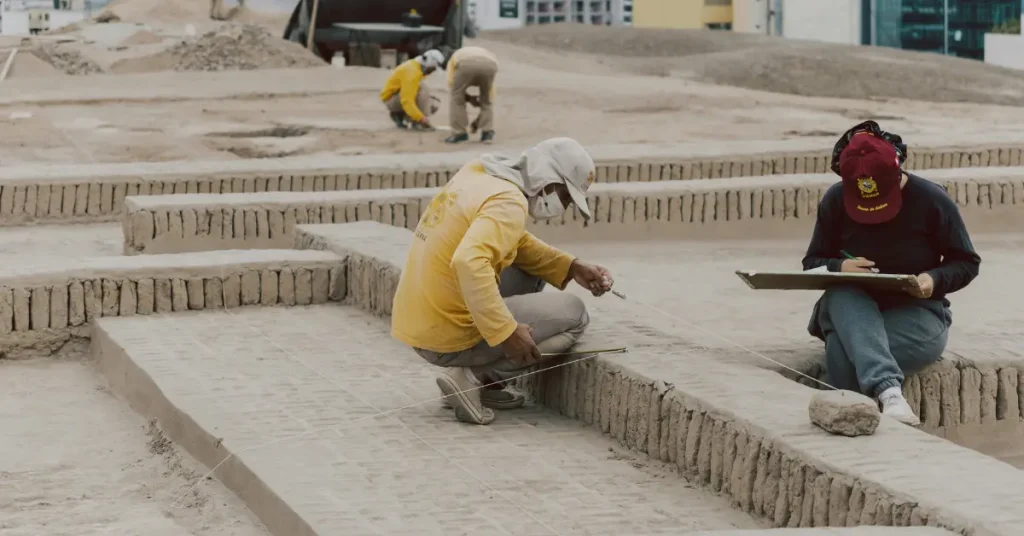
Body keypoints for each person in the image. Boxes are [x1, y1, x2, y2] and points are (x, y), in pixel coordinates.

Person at [390, 137, 614, 425]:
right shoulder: (509, 202)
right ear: (548, 181)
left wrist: (571, 267)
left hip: (421, 319)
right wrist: (505, 332)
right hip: (444, 335)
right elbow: (469, 262)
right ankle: (473, 379)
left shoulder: (480, 172)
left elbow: (511, 242)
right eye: (566, 197)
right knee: (575, 315)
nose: (565, 206)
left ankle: (479, 385)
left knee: (529, 266)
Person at [802, 122, 981, 426]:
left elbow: (966, 262)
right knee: (842, 293)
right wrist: (839, 267)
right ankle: (890, 393)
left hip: (917, 316)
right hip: (852, 310)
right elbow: (812, 263)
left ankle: (855, 395)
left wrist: (933, 279)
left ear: (896, 174)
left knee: (844, 356)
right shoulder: (835, 200)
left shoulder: (931, 200)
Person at [444, 46, 498, 144]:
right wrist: (480, 101)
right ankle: (487, 133)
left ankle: (459, 133)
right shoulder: (480, 52)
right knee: (487, 101)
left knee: (456, 99)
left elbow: (452, 85)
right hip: (491, 64)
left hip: (466, 63)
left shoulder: (453, 59)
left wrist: (467, 99)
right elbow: (491, 93)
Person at [380, 49, 445, 130]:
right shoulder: (412, 72)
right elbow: (407, 100)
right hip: (391, 100)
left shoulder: (416, 66)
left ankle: (400, 115)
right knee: (422, 90)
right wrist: (421, 118)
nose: (433, 71)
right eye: (433, 68)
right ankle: (414, 121)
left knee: (433, 103)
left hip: (394, 97)